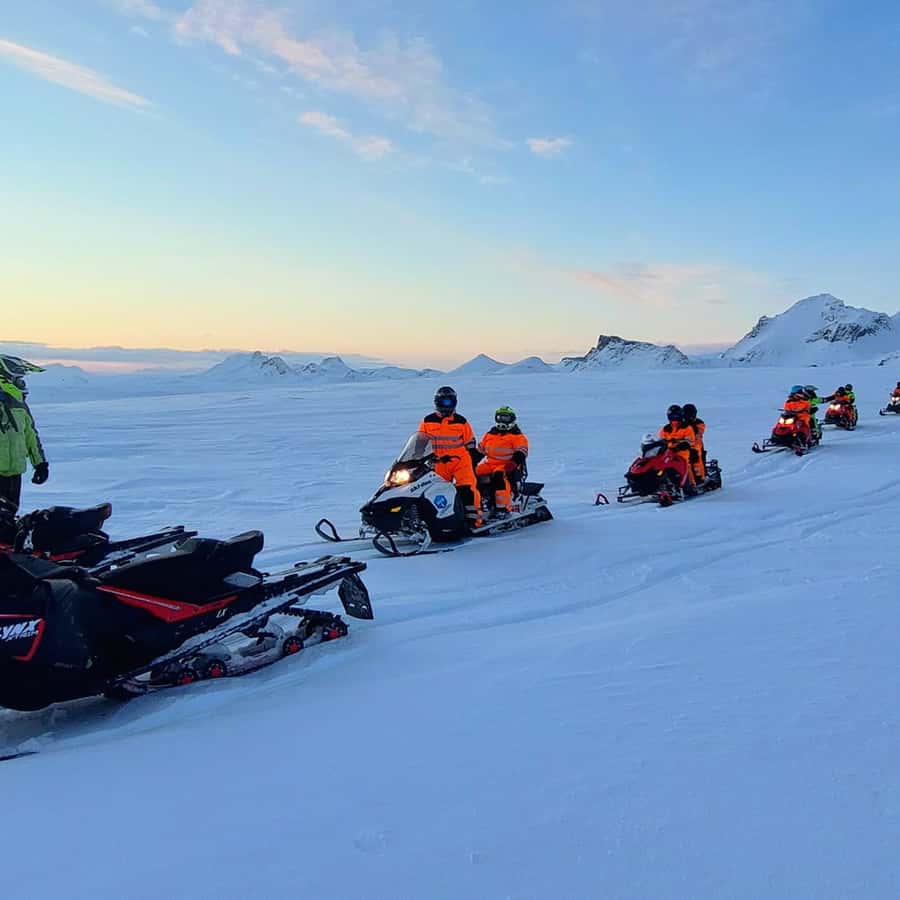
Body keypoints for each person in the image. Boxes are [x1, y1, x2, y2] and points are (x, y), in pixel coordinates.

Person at [418, 386, 481, 527]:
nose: (447, 405)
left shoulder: (461, 421)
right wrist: (417, 457)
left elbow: (470, 441)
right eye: (444, 401)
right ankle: (438, 520)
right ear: (437, 402)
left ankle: (473, 520)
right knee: (435, 491)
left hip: (460, 461)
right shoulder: (427, 420)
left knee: (467, 488)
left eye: (449, 402)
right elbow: (420, 441)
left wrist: (473, 459)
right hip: (437, 462)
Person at [0, 355, 49, 514]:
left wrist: (40, 464)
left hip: (14, 474)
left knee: (8, 524)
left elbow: (30, 436)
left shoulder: (20, 405)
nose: (21, 383)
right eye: (18, 379)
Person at [476, 406, 529, 513]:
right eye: (499, 418)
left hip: (507, 466)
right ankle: (478, 502)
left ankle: (502, 508)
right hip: (490, 463)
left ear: (512, 419)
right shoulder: (491, 434)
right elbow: (481, 449)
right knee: (472, 473)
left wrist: (514, 462)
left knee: (499, 476)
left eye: (505, 418)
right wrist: (469, 461)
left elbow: (522, 451)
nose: (501, 421)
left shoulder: (517, 436)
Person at [658, 405, 697, 489]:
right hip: (667, 451)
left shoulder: (687, 428)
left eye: (676, 416)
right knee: (658, 464)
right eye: (672, 416)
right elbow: (660, 440)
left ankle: (691, 484)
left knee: (684, 463)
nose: (674, 418)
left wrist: (680, 445)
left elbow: (690, 441)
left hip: (681, 452)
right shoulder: (665, 429)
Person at [680, 403, 706, 483]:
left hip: (695, 445)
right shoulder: (681, 422)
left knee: (696, 459)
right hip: (682, 445)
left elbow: (699, 432)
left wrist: (690, 425)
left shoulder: (698, 422)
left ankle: (700, 478)